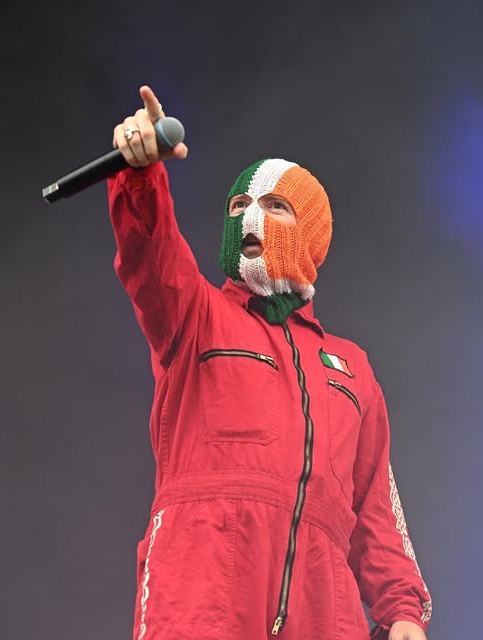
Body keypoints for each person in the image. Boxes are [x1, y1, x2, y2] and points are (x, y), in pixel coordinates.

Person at [107, 85, 432, 640]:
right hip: (203, 589)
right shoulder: (195, 315)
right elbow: (149, 252)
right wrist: (139, 176)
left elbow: (375, 504)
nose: (250, 218)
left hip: (324, 609)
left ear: (311, 233)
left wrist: (401, 607)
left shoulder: (351, 368)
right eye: (239, 207)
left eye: (275, 206)